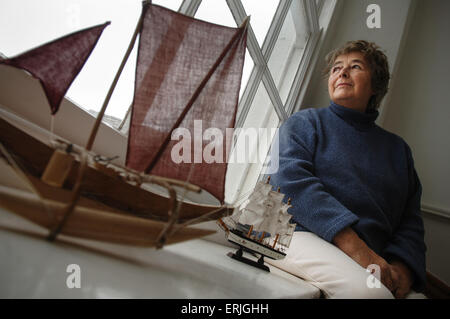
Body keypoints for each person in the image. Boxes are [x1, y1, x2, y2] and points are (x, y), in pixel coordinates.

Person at [266, 40, 426, 298]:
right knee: (371, 295)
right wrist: (356, 248)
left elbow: (410, 220)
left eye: (355, 66)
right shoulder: (304, 122)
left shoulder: (399, 150)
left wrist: (403, 268)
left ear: (375, 85)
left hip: (370, 255)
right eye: (336, 68)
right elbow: (288, 181)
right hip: (294, 233)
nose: (342, 72)